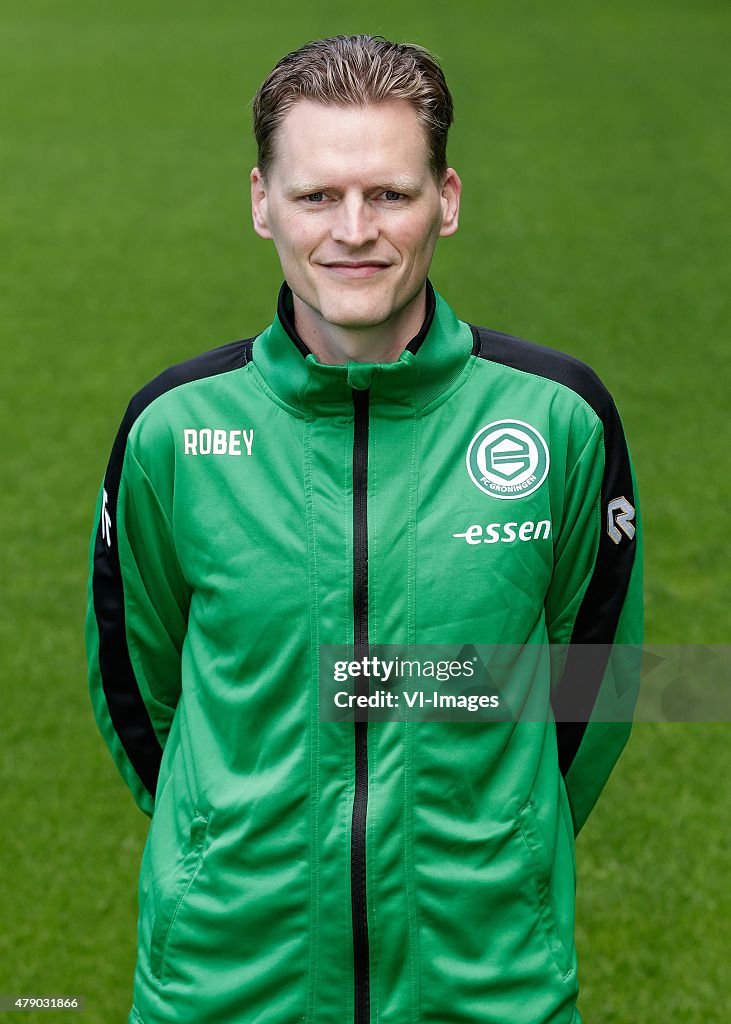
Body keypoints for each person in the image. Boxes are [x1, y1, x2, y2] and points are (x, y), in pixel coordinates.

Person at [85, 34, 643, 1024]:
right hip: (225, 982)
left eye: (388, 194)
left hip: (482, 983)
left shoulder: (557, 421)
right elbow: (140, 687)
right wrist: (220, 835)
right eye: (315, 196)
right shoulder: (173, 431)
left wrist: (502, 839)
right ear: (261, 201)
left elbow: (593, 685)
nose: (352, 231)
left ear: (449, 199)